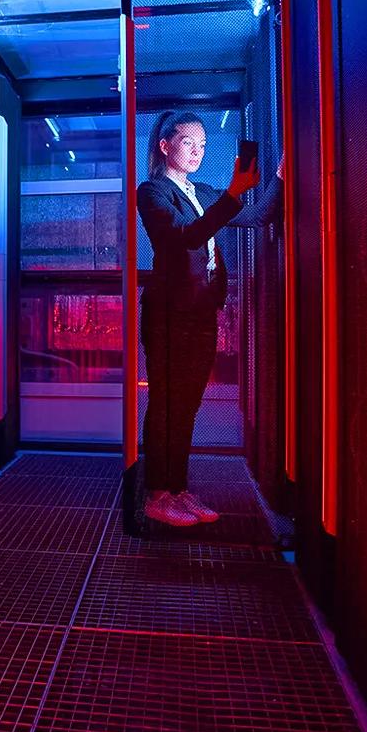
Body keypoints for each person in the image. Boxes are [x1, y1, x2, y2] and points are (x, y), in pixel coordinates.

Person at [137, 110, 284, 526]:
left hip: (201, 311)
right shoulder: (151, 193)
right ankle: (156, 495)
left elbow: (257, 215)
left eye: (203, 144)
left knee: (187, 406)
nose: (198, 151)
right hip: (168, 315)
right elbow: (187, 236)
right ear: (165, 146)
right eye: (189, 143)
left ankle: (177, 490)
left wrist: (280, 177)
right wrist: (233, 193)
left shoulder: (200, 190)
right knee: (166, 404)